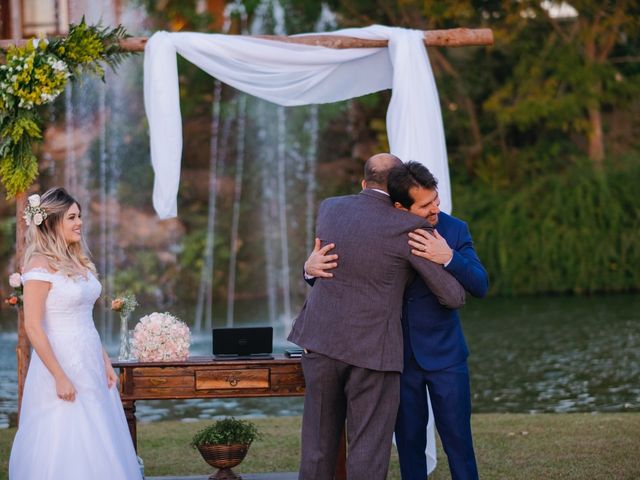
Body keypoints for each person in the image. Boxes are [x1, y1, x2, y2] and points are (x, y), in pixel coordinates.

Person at [289, 153, 466, 480]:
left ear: (363, 182)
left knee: (317, 446)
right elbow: (453, 296)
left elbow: (334, 262)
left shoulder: (330, 208)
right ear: (402, 188)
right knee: (367, 450)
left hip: (319, 342)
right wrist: (446, 259)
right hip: (372, 352)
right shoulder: (407, 226)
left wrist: (307, 269)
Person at [9, 187, 142, 480]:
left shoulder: (78, 261)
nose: (79, 222)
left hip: (90, 359)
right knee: (66, 430)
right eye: (71, 217)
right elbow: (33, 325)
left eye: (79, 216)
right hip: (59, 361)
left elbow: (86, 320)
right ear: (53, 222)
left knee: (99, 432)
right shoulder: (38, 266)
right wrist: (59, 376)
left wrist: (104, 359)